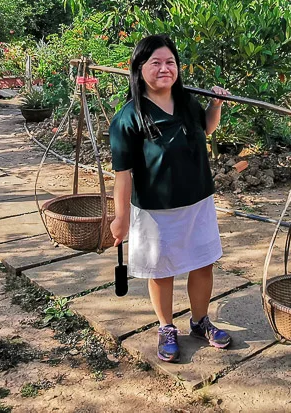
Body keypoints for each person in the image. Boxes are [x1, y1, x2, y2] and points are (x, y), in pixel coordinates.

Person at [108, 34, 231, 363]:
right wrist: (120, 218)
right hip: (155, 211)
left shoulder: (188, 101)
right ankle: (166, 327)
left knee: (202, 264)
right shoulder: (127, 118)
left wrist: (214, 105)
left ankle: (200, 321)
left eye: (170, 62)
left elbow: (206, 129)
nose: (165, 69)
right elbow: (123, 176)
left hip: (198, 202)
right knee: (161, 271)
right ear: (139, 68)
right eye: (156, 63)